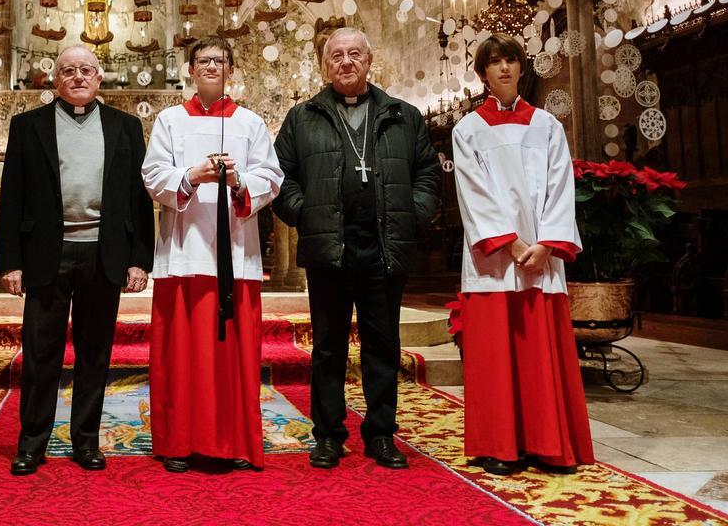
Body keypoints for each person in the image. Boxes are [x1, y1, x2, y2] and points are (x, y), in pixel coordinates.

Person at [273, 27, 440, 471]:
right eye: (336, 56)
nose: (346, 62)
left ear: (369, 61)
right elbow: (280, 177)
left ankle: (381, 433)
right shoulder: (302, 117)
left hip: (384, 246)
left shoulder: (403, 116)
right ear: (324, 65)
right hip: (330, 247)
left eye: (354, 54)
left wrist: (413, 213)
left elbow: (428, 174)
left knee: (382, 345)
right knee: (328, 347)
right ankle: (328, 435)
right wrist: (306, 214)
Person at [0, 45, 154, 476]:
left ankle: (86, 441)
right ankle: (32, 444)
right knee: (40, 354)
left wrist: (139, 260)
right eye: (69, 71)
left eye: (86, 70)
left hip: (104, 252)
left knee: (94, 354)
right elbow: (11, 196)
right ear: (55, 80)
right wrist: (10, 262)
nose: (78, 77)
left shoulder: (125, 126)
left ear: (100, 78)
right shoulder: (28, 126)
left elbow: (139, 198)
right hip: (47, 253)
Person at [451, 33, 594, 475]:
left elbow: (560, 186)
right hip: (494, 259)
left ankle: (547, 443)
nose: (504, 68)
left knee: (539, 351)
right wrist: (510, 242)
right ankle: (500, 446)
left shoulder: (547, 126)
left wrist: (547, 242)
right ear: (483, 73)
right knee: (495, 354)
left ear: (521, 67)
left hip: (540, 257)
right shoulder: (467, 130)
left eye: (511, 60)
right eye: (495, 62)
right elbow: (472, 192)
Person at [141, 36, 283, 472]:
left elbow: (271, 177)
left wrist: (239, 182)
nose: (210, 67)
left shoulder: (250, 123)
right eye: (202, 60)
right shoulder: (169, 120)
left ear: (231, 70)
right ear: (189, 69)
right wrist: (191, 176)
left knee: (233, 354)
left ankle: (233, 440)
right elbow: (152, 174)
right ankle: (179, 442)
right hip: (183, 253)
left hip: (234, 254)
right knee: (182, 356)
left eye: (220, 61)